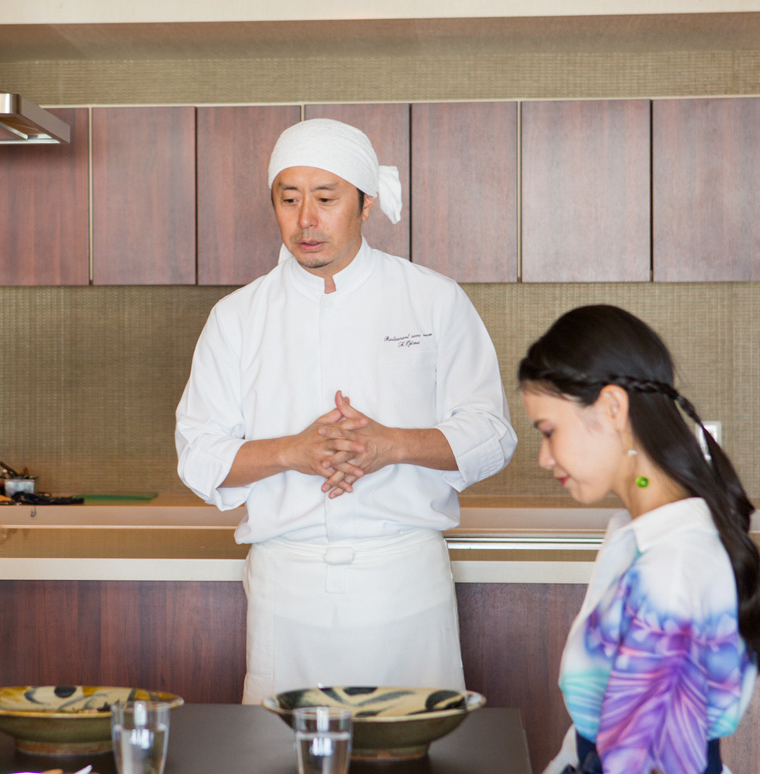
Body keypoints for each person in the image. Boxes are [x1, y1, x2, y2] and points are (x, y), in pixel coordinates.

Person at [175, 118, 517, 704]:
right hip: (287, 587)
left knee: (415, 751)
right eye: (289, 199)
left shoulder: (432, 299)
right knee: (280, 754)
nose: (306, 219)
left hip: (406, 580)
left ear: (366, 204)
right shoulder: (237, 317)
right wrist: (292, 452)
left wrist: (392, 445)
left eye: (326, 198)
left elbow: (491, 434)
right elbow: (198, 457)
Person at [519, 305, 760, 774]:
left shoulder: (670, 571)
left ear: (612, 408)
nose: (544, 458)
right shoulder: (640, 536)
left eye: (549, 431)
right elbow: (593, 747)